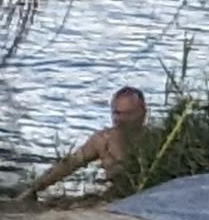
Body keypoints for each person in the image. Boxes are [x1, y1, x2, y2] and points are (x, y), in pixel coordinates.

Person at [23, 85, 151, 200]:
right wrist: (34, 189)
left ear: (143, 113)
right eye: (117, 113)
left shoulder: (156, 139)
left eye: (127, 114)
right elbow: (69, 164)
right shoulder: (102, 140)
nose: (120, 119)